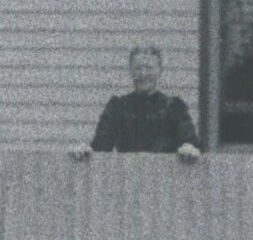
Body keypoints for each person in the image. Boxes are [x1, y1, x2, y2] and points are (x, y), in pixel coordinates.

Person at [71, 45, 202, 161]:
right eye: (138, 68)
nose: (143, 74)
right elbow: (101, 146)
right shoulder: (118, 106)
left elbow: (189, 141)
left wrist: (188, 148)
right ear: (130, 70)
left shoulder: (174, 106)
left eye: (149, 68)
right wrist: (86, 150)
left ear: (160, 70)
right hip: (128, 177)